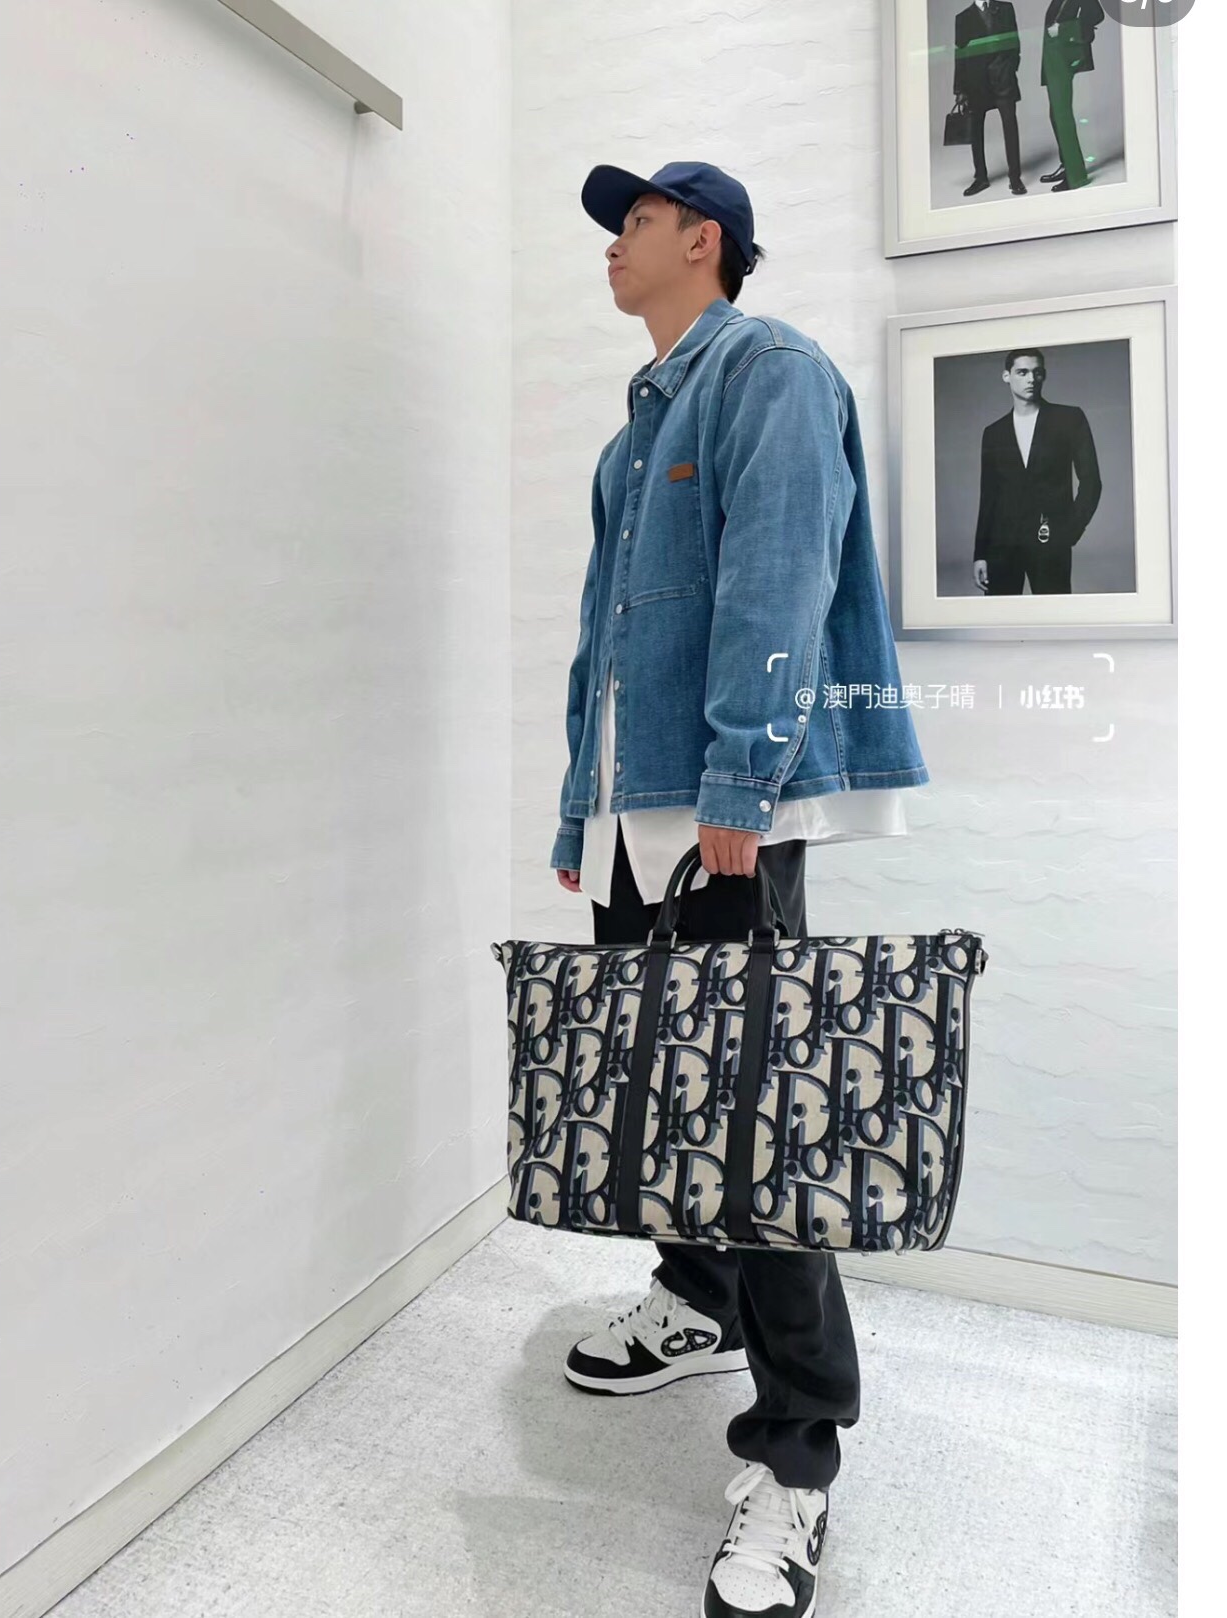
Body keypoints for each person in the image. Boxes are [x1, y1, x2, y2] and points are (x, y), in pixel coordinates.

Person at [549, 159, 930, 1618]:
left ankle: (798, 1454)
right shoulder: (631, 435)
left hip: (723, 806)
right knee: (662, 1084)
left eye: (634, 223)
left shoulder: (767, 370)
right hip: (636, 804)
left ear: (701, 239)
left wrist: (741, 779)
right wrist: (577, 805)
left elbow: (780, 580)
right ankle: (696, 1297)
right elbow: (602, 640)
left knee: (762, 1131)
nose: (613, 245)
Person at [971, 347, 1102, 596]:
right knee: (1000, 617)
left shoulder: (1069, 419)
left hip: (1050, 542)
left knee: (1054, 616)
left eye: (1037, 372)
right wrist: (980, 554)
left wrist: (1070, 531)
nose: (1031, 379)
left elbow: (1092, 482)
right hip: (1002, 546)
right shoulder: (994, 433)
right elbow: (988, 497)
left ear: (1044, 375)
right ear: (1007, 376)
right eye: (1022, 372)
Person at [953, 0, 1027, 197]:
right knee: (976, 131)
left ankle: (1015, 177)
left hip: (1003, 78)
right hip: (976, 82)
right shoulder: (962, 18)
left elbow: (1014, 40)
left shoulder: (1005, 8)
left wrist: (1011, 67)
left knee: (1010, 127)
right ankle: (981, 178)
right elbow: (960, 54)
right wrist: (959, 88)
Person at [1039, 0, 1106, 191]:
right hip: (1054, 52)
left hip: (1064, 53)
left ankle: (1076, 175)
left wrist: (1063, 30)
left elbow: (1097, 15)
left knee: (1062, 115)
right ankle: (1067, 165)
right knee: (1055, 114)